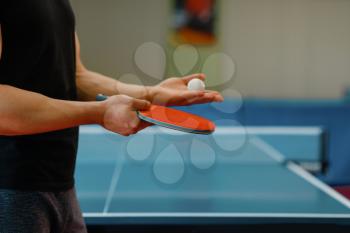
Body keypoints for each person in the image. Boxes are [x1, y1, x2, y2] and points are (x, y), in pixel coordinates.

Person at [0, 1, 223, 232]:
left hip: (61, 183)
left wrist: (151, 94)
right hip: (11, 188)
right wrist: (101, 113)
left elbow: (76, 77)